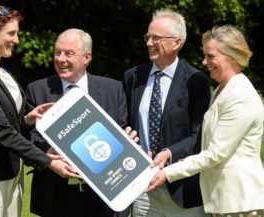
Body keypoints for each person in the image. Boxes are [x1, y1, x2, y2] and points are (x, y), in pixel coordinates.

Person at [0, 5, 76, 217]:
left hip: (12, 171)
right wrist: (48, 161)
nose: (16, 40)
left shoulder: (1, 71)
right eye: (11, 34)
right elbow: (1, 131)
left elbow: (5, 121)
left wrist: (26, 120)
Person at [148, 24, 264, 217]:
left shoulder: (240, 95)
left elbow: (215, 153)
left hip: (239, 203)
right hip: (223, 200)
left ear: (232, 56)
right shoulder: (221, 90)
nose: (204, 62)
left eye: (211, 56)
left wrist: (167, 173)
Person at [25, 28, 131, 217]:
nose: (61, 59)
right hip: (56, 196)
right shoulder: (37, 90)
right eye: (57, 53)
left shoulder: (113, 89)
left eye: (69, 53)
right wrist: (46, 154)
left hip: (104, 197)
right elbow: (29, 138)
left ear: (87, 57)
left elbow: (122, 130)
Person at [124, 8, 211, 217]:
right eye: (148, 37)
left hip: (183, 190)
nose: (148, 43)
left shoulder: (196, 81)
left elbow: (198, 136)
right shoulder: (133, 77)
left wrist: (169, 153)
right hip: (142, 189)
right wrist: (127, 135)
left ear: (176, 42)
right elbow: (126, 123)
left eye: (156, 38)